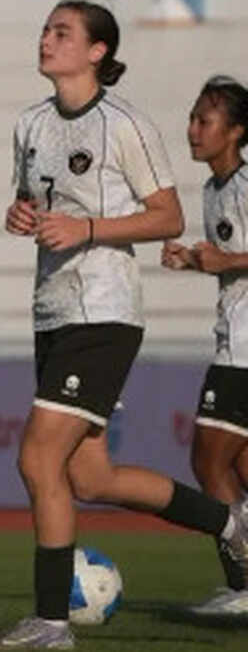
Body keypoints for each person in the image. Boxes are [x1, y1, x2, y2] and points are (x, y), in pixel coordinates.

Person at [0, 0, 248, 649]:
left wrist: (88, 229)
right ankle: (230, 523)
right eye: (45, 29)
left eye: (62, 32)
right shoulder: (29, 123)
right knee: (90, 478)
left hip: (104, 312)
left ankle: (51, 623)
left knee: (37, 457)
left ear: (97, 51)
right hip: (52, 310)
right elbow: (30, 201)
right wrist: (19, 215)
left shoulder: (124, 124)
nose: (47, 39)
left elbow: (167, 216)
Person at [162, 75, 248, 615]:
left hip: (244, 350)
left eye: (205, 120)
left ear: (235, 131)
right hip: (234, 339)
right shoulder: (214, 189)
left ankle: (244, 585)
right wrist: (195, 261)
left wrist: (224, 260)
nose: (193, 129)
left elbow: (237, 260)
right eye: (192, 118)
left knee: (207, 462)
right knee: (238, 468)